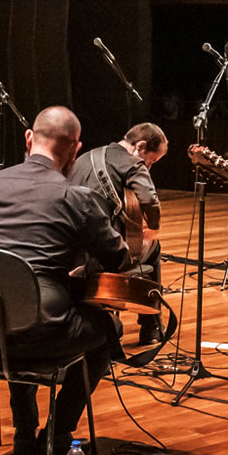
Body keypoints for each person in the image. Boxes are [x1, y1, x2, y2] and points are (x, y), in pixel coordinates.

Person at [0, 106, 131, 455]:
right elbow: (118, 259)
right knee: (107, 330)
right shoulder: (75, 197)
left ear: (29, 139)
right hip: (42, 337)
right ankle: (58, 434)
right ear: (75, 150)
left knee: (16, 309)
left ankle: (23, 434)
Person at [70, 122, 167, 345]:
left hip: (71, 253)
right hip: (104, 255)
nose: (148, 167)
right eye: (151, 161)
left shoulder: (83, 159)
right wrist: (153, 227)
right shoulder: (133, 163)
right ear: (141, 146)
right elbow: (149, 200)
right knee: (153, 249)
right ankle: (151, 326)